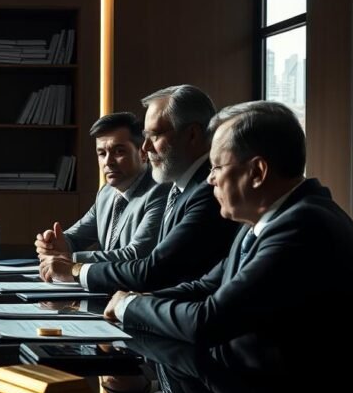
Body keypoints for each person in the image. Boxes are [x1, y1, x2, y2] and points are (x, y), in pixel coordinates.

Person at [105, 101, 353, 393]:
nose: (210, 180)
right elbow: (207, 286)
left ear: (257, 172)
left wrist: (130, 306)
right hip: (251, 390)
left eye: (217, 167)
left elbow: (209, 321)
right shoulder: (270, 219)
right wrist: (137, 299)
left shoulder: (304, 227)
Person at [40, 84, 240, 292]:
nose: (146, 147)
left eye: (155, 135)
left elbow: (154, 269)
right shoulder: (178, 188)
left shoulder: (208, 191)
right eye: (101, 153)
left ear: (192, 135)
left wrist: (74, 269)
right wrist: (56, 246)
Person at [35, 111, 168, 264]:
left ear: (143, 153)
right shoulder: (106, 193)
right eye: (102, 153)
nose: (108, 162)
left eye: (119, 151)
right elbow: (75, 237)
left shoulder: (159, 191)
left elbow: (137, 254)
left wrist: (71, 260)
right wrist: (54, 244)